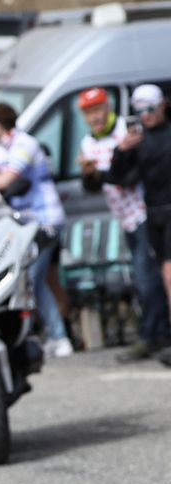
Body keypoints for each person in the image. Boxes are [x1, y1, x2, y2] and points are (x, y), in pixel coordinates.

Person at [77, 87, 171, 361]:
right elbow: (93, 186)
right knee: (147, 277)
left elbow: (127, 176)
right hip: (124, 217)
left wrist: (113, 160)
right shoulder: (88, 143)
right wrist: (89, 174)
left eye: (97, 109)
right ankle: (155, 333)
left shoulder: (127, 131)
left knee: (147, 277)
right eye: (88, 112)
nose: (94, 117)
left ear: (107, 107)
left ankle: (154, 335)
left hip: (144, 211)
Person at [0, 102, 71, 357]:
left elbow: (3, 181)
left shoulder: (25, 144)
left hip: (45, 221)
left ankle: (49, 336)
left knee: (31, 280)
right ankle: (57, 335)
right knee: (42, 279)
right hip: (24, 224)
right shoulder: (2, 147)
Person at [106, 84, 171, 367]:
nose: (145, 116)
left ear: (162, 106)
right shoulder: (138, 141)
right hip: (153, 214)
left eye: (149, 109)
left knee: (168, 275)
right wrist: (120, 151)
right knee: (157, 278)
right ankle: (158, 334)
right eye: (139, 111)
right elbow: (119, 178)